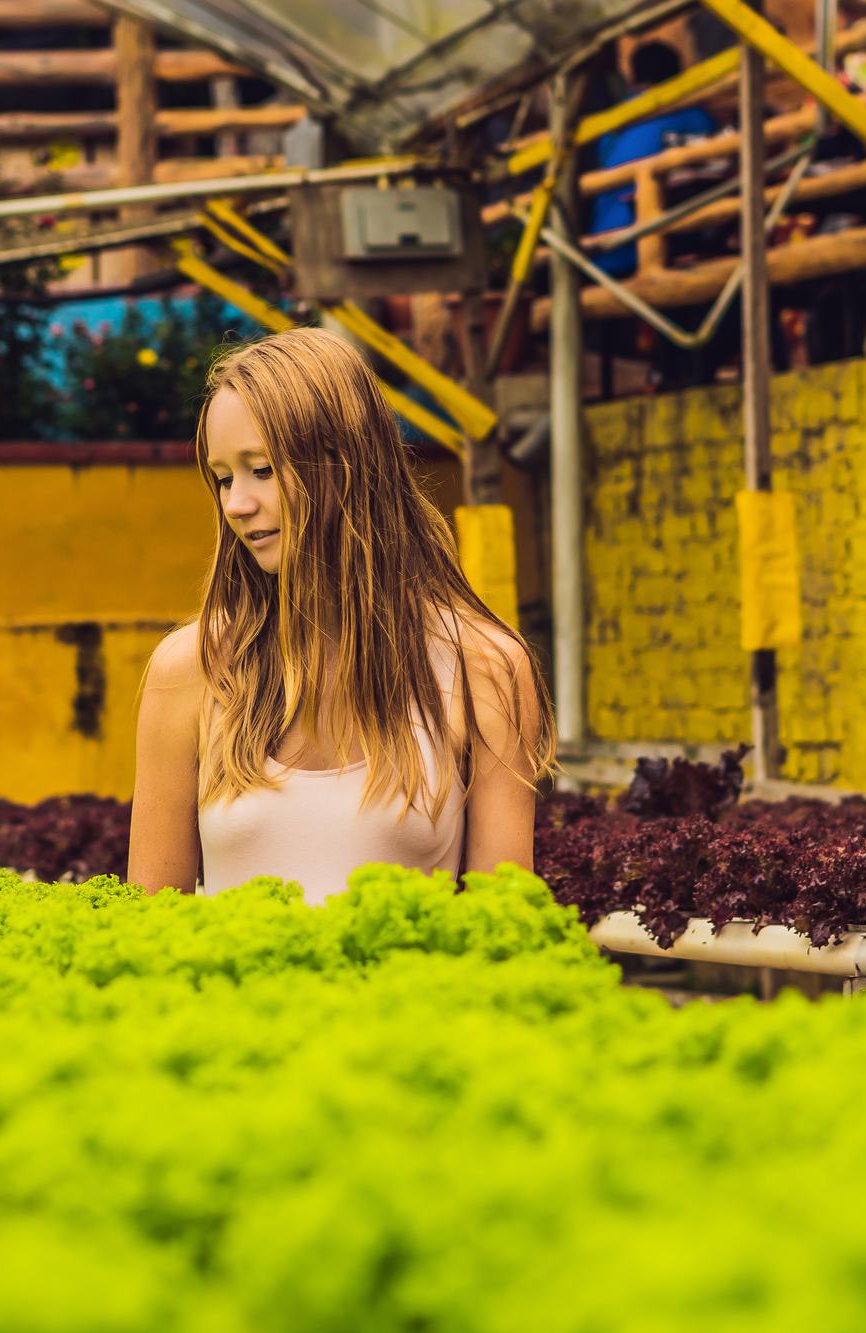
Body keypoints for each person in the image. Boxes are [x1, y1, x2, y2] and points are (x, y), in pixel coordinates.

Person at [126, 328, 556, 903]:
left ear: (346, 465)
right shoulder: (190, 668)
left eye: (262, 470)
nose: (235, 504)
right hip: (224, 995)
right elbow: (149, 919)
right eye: (224, 477)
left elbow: (503, 926)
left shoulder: (485, 669)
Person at [587, 40, 718, 279]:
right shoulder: (696, 117)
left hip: (606, 249)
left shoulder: (613, 123)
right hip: (664, 249)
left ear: (633, 78)